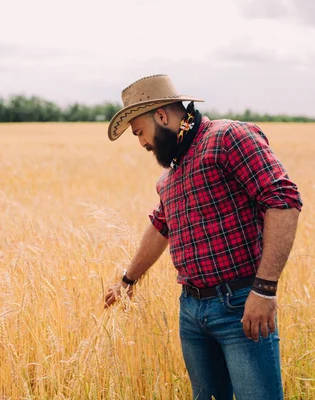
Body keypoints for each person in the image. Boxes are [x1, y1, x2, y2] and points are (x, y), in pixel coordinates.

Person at [104, 74, 302, 400]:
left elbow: (283, 201)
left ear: (162, 116)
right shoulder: (171, 175)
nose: (141, 143)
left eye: (139, 131)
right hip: (191, 312)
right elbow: (161, 226)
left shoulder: (228, 138)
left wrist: (265, 289)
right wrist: (127, 281)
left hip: (241, 306)